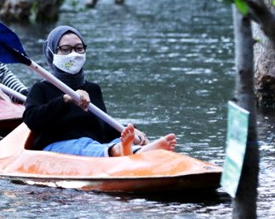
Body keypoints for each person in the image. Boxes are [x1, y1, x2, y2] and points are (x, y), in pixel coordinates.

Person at [23, 25, 177, 157]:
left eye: (78, 48)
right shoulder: (41, 88)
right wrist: (65, 99)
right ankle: (120, 151)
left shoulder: (92, 89)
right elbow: (32, 120)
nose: (74, 54)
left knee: (107, 142)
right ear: (52, 52)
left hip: (95, 145)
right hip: (58, 146)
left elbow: (103, 126)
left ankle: (136, 150)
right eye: (65, 49)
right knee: (86, 146)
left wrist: (129, 132)